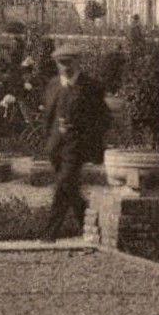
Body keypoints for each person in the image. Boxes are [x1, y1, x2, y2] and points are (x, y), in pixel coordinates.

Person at [40, 44, 109, 241]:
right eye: (61, 63)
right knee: (69, 188)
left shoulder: (91, 87)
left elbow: (103, 119)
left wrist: (83, 131)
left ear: (78, 61)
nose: (65, 67)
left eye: (69, 62)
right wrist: (49, 140)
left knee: (63, 185)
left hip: (77, 145)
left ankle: (48, 234)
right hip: (55, 146)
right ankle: (88, 222)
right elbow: (48, 117)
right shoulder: (53, 85)